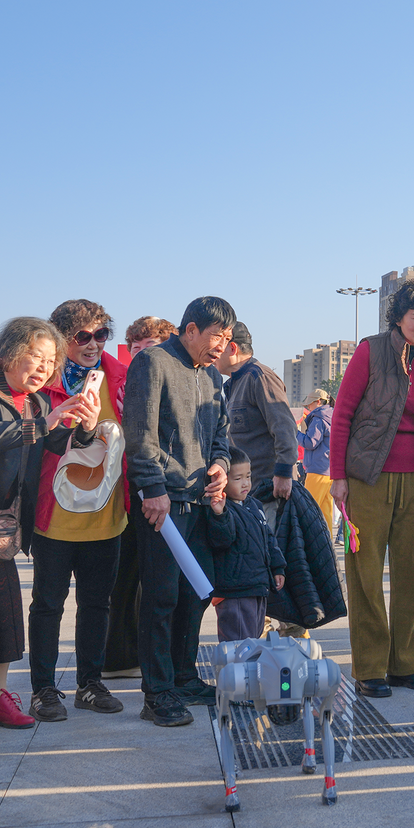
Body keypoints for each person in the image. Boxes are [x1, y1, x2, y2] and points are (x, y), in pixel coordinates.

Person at [0, 317, 98, 739]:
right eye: (36, 356)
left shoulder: (38, 402)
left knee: (5, 617)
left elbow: (57, 446)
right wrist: (49, 421)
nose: (44, 367)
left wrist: (83, 429)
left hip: (6, 528)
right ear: (9, 353)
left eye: (50, 361)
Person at [330, 278, 414, 698]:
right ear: (398, 317)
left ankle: (405, 665)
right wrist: (338, 477)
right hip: (367, 477)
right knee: (365, 573)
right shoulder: (371, 350)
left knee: (412, 572)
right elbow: (343, 415)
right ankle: (370, 669)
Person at [123, 296, 237, 726]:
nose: (221, 346)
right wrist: (152, 489)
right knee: (161, 598)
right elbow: (140, 434)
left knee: (194, 596)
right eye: (216, 336)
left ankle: (185, 678)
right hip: (163, 504)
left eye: (227, 338)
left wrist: (220, 465)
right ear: (190, 330)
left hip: (200, 501)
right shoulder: (153, 362)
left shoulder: (212, 375)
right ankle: (157, 693)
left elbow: (221, 431)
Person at [27, 299, 130, 721]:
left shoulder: (121, 378)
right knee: (48, 605)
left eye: (101, 334)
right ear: (60, 339)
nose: (93, 344)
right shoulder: (41, 383)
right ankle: (43, 690)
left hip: (107, 515)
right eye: (82, 336)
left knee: (97, 604)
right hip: (52, 517)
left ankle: (89, 683)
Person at [103, 314, 177, 676]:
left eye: (152, 346)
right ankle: (119, 656)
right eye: (136, 348)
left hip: (163, 488)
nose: (143, 354)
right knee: (123, 576)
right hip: (125, 491)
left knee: (161, 582)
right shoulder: (118, 384)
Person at [206, 447, 285, 641]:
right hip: (235, 591)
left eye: (248, 476)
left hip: (257, 586)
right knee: (239, 645)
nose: (245, 483)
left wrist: (277, 567)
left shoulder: (254, 505)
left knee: (253, 640)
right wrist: (219, 515)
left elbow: (268, 539)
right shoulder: (221, 508)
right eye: (238, 478)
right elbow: (221, 540)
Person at [215, 322, 298, 505]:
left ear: (232, 348)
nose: (213, 353)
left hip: (270, 491)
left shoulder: (260, 377)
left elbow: (285, 428)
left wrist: (283, 473)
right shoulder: (234, 383)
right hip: (250, 493)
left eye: (218, 348)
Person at [296, 388, 336, 531]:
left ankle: (309, 544)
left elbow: (310, 442)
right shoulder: (332, 416)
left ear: (318, 402)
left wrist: (295, 433)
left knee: (309, 510)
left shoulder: (318, 418)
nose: (308, 407)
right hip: (329, 470)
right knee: (326, 514)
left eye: (309, 403)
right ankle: (328, 543)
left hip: (316, 470)